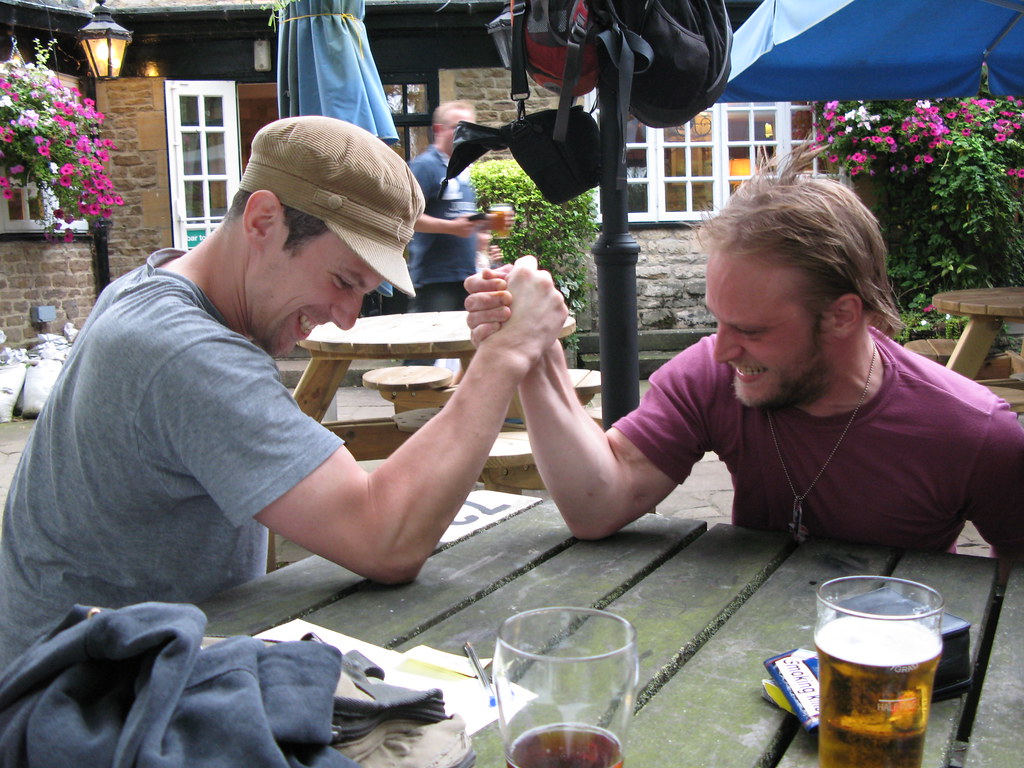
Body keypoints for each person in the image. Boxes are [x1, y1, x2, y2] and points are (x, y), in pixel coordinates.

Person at [0, 116, 568, 671]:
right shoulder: (184, 351)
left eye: (364, 294)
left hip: (96, 668)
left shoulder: (150, 285)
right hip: (81, 706)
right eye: (343, 281)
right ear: (264, 220)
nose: (346, 319)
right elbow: (385, 538)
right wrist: (505, 356)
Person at [465, 153, 1024, 580]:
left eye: (751, 330)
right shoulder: (714, 375)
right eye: (718, 321)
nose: (722, 349)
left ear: (842, 316)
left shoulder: (977, 433)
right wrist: (534, 355)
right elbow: (597, 506)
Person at [407, 101, 487, 314]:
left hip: (467, 276)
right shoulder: (424, 166)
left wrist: (480, 232)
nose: (465, 134)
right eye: (458, 127)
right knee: (435, 344)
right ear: (439, 129)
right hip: (435, 279)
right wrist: (451, 227)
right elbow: (406, 217)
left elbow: (460, 217)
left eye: (470, 128)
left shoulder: (464, 168)